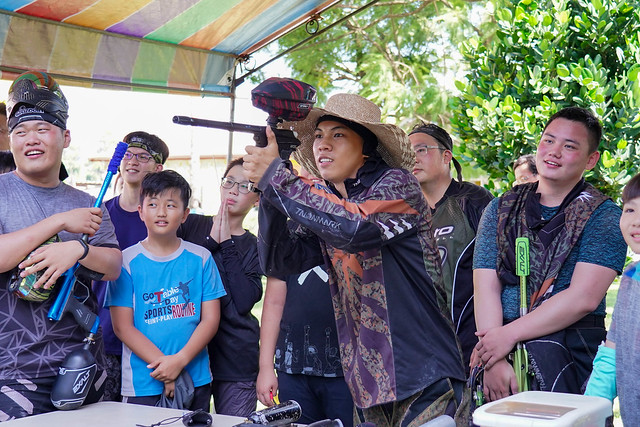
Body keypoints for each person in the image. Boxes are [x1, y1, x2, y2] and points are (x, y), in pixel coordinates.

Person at [243, 93, 467, 426]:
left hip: (424, 374)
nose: (323, 145)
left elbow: (354, 228)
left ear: (366, 147)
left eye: (338, 135)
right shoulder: (330, 202)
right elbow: (279, 260)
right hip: (367, 383)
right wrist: (271, 190)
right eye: (318, 136)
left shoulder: (398, 185)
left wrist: (278, 177)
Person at [473, 107, 627, 402]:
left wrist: (507, 337)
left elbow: (583, 299)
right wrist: (493, 357)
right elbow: (485, 284)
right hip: (497, 352)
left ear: (591, 159)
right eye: (548, 141)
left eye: (569, 146)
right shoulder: (500, 208)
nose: (554, 152)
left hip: (569, 349)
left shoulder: (604, 216)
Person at [0, 71, 121, 419]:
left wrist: (79, 250)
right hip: (13, 374)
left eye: (42, 129)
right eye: (20, 132)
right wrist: (59, 223)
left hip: (83, 369)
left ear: (65, 137)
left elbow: (113, 266)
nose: (30, 139)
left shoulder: (88, 202)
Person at [107, 170, 225, 411]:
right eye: (152, 204)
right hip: (143, 383)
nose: (161, 212)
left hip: (195, 378)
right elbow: (122, 327)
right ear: (140, 211)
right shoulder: (126, 262)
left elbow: (210, 319)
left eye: (171, 205)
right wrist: (166, 370)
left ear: (185, 215)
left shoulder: (201, 258)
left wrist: (179, 362)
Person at [257, 168, 354, 426]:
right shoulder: (287, 232)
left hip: (346, 370)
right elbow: (274, 301)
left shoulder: (353, 228)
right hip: (293, 366)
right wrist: (266, 366)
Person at [178, 158, 263, 416]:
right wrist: (210, 242)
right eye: (229, 182)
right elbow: (178, 279)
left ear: (257, 199)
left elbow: (245, 300)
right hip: (186, 354)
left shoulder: (255, 245)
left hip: (236, 359)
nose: (234, 190)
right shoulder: (190, 224)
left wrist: (226, 243)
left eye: (245, 186)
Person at [409, 123, 493, 375]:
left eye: (421, 149)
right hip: (418, 346)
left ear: (447, 156)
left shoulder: (475, 201)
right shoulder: (402, 211)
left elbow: (498, 272)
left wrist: (490, 339)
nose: (413, 158)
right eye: (407, 152)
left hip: (469, 341)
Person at [93, 131, 169, 401]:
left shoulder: (163, 219)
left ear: (158, 168)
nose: (133, 161)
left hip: (149, 341)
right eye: (128, 154)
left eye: (143, 156)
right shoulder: (98, 214)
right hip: (102, 338)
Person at [584, 173, 640, 425]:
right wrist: (588, 410)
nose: (636, 222)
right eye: (629, 210)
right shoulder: (631, 276)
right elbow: (612, 351)